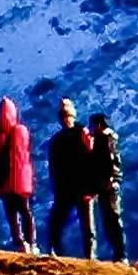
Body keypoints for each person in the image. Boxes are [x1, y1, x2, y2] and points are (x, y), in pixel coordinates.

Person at [45, 99, 98, 256]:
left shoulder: (83, 134)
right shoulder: (57, 140)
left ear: (72, 115)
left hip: (82, 188)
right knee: (56, 223)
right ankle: (56, 253)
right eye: (62, 115)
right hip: (64, 189)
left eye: (67, 114)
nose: (65, 118)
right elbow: (54, 168)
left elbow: (93, 160)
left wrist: (92, 188)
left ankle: (90, 258)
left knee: (87, 227)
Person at [0, 89, 38, 253]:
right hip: (22, 183)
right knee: (26, 212)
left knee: (12, 216)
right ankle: (32, 242)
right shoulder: (22, 132)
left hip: (5, 183)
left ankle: (19, 242)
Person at [87, 112, 131, 261]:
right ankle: (119, 254)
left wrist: (111, 179)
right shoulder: (103, 139)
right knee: (110, 220)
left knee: (112, 219)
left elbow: (111, 161)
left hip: (108, 186)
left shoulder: (106, 139)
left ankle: (120, 254)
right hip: (105, 185)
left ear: (99, 125)